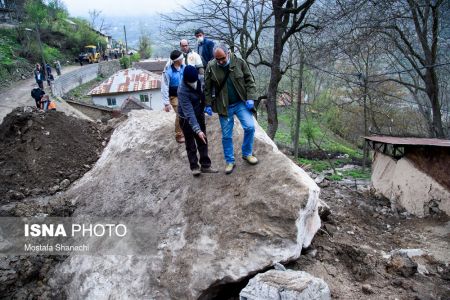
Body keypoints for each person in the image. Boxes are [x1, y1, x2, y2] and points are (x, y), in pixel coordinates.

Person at [204, 43, 258, 174]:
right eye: (218, 59)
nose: (221, 61)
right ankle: (230, 161)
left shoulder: (239, 62)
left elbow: (249, 80)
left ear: (228, 53)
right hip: (224, 106)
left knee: (250, 127)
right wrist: (208, 104)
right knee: (227, 136)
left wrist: (251, 97)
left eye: (222, 58)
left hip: (240, 102)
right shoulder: (211, 67)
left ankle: (247, 153)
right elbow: (207, 87)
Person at [178, 65, 218, 176]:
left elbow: (208, 90)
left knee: (203, 140)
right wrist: (197, 130)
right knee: (190, 143)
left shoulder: (200, 79)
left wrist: (208, 104)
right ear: (186, 80)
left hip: (199, 114)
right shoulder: (182, 90)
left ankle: (205, 165)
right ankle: (194, 167)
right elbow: (189, 112)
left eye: (194, 80)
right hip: (186, 119)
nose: (193, 83)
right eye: (191, 82)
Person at [161, 50, 186, 143]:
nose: (183, 59)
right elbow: (164, 87)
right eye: (181, 58)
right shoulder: (168, 72)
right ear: (177, 60)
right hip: (174, 96)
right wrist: (166, 103)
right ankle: (179, 134)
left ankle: (186, 130)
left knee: (186, 112)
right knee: (180, 113)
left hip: (184, 95)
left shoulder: (184, 68)